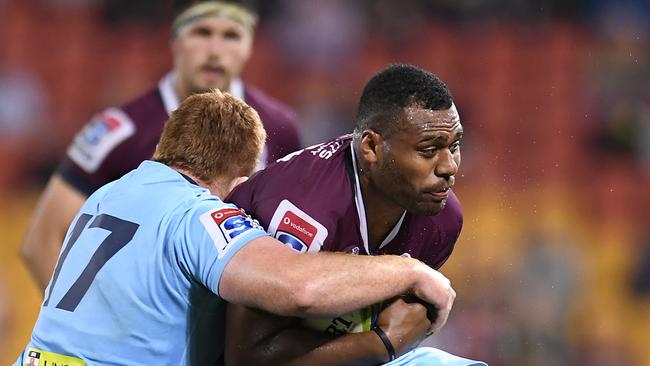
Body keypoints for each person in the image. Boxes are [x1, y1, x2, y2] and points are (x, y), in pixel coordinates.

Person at [14, 90, 456, 366]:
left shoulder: (106, 195)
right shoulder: (198, 213)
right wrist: (408, 271)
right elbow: (295, 288)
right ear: (242, 181)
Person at [20, 1, 302, 291]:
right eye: (202, 32)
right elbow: (42, 240)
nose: (215, 50)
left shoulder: (281, 127)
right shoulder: (121, 131)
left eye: (231, 35)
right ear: (175, 41)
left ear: (249, 46)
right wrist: (88, 324)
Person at [225, 65, 486, 365]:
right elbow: (246, 358)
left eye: (454, 146)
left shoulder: (441, 218)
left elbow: (397, 322)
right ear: (371, 147)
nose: (449, 167)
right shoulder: (302, 211)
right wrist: (382, 344)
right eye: (428, 150)